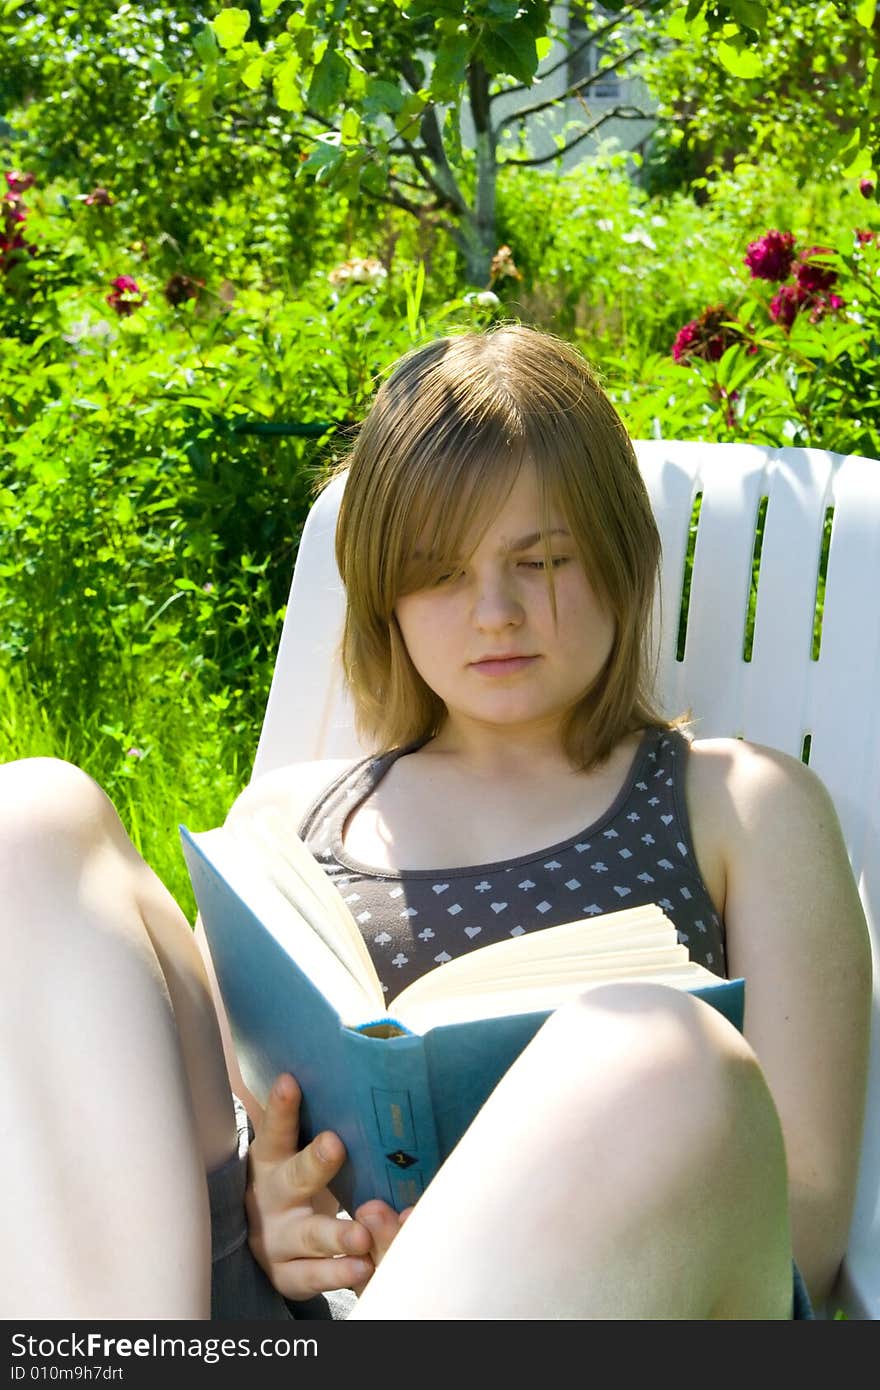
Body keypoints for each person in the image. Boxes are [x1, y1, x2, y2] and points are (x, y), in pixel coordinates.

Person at [1, 325, 871, 1321]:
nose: (494, 611)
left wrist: (498, 1244)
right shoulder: (290, 819)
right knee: (28, 817)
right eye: (441, 574)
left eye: (540, 560)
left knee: (661, 1050)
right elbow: (203, 1145)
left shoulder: (738, 804)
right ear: (383, 595)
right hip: (261, 1324)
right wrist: (280, 1216)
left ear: (620, 561)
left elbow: (800, 1226)